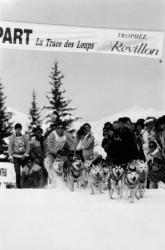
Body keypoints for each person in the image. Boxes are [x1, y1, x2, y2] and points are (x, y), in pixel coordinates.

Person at [44, 120, 75, 185]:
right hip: (51, 153)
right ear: (56, 129)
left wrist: (72, 150)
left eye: (62, 128)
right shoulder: (52, 135)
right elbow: (50, 146)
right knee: (51, 163)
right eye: (58, 128)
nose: (60, 129)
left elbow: (73, 142)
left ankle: (66, 178)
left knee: (67, 161)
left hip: (61, 153)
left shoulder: (66, 134)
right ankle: (51, 181)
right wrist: (56, 151)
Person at [8, 123, 30, 188]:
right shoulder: (12, 137)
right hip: (15, 156)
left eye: (19, 129)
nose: (18, 130)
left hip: (23, 156)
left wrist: (25, 154)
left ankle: (25, 185)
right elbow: (10, 147)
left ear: (21, 129)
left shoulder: (24, 137)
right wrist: (10, 157)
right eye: (17, 129)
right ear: (15, 129)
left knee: (26, 171)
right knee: (17, 172)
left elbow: (28, 146)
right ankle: (18, 186)